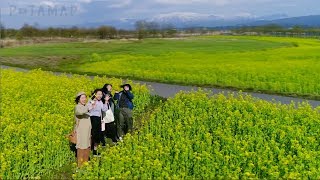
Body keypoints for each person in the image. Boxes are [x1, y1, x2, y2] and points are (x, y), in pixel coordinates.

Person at [74, 92, 92, 167]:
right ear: (78, 99)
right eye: (82, 98)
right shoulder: (77, 107)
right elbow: (79, 112)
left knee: (87, 145)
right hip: (81, 130)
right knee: (81, 146)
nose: (84, 99)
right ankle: (80, 165)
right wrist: (88, 108)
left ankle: (85, 162)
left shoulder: (85, 106)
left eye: (85, 98)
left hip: (87, 130)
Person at [88, 89, 108, 156]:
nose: (100, 95)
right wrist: (92, 103)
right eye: (98, 94)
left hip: (98, 119)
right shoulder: (91, 101)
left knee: (97, 135)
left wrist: (106, 101)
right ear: (95, 94)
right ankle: (90, 149)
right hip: (92, 119)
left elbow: (104, 109)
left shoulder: (100, 102)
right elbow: (88, 109)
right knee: (92, 134)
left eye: (101, 94)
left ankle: (95, 150)